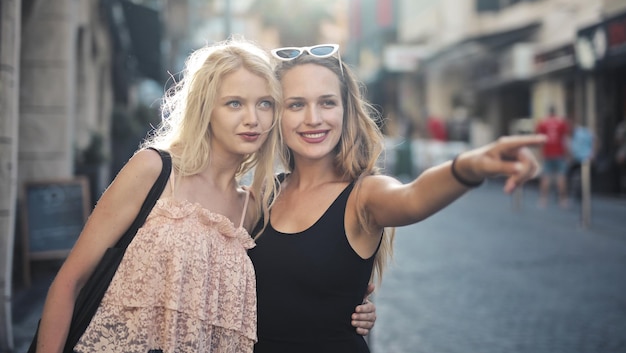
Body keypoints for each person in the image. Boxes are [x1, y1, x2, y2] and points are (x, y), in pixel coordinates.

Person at [34, 38, 375, 353]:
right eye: (234, 104)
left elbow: (292, 279)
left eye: (265, 104)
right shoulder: (154, 170)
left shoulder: (253, 207)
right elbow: (69, 281)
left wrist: (350, 302)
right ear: (206, 108)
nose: (252, 119)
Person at [248, 44, 544, 353]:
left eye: (327, 102)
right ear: (276, 114)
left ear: (346, 110)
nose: (313, 118)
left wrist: (470, 166)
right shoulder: (262, 196)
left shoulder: (364, 194)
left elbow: (413, 197)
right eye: (296, 104)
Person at [535, 105, 570, 208]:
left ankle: (543, 199)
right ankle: (563, 200)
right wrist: (568, 153)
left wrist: (539, 154)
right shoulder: (561, 123)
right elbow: (565, 139)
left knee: (546, 177)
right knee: (561, 176)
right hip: (559, 153)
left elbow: (539, 140)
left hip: (547, 153)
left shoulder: (542, 123)